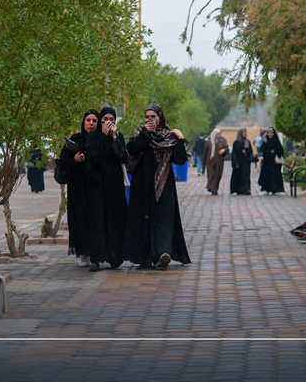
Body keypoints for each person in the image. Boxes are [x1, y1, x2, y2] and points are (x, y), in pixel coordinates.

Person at [122, 104, 190, 269]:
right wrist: (146, 133)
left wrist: (180, 139)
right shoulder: (140, 133)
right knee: (144, 219)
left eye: (153, 116)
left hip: (164, 185)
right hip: (143, 186)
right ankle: (145, 256)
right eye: (147, 117)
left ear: (160, 117)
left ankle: (162, 252)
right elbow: (132, 149)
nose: (149, 120)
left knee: (164, 218)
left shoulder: (169, 136)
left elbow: (180, 159)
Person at [81, 106, 129, 271]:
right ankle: (96, 258)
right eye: (105, 120)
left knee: (115, 219)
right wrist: (103, 135)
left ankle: (114, 256)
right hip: (97, 184)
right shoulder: (93, 137)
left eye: (111, 120)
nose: (108, 123)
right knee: (98, 220)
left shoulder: (118, 137)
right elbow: (94, 154)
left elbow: (123, 156)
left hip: (114, 184)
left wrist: (114, 138)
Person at [58, 109, 100, 267]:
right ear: (83, 122)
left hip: (96, 188)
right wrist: (75, 160)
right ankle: (82, 252)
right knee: (80, 220)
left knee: (95, 220)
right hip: (78, 188)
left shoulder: (100, 140)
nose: (91, 123)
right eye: (88, 120)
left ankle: (96, 253)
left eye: (94, 121)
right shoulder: (75, 140)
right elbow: (63, 164)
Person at [257, 127, 285, 195]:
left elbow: (281, 150)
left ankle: (275, 189)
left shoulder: (276, 141)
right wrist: (265, 143)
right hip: (267, 162)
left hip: (274, 163)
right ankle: (266, 188)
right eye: (269, 133)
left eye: (272, 133)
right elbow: (262, 149)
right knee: (266, 175)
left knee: (274, 176)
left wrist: (275, 151)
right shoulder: (266, 141)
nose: (270, 134)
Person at [203, 127, 229, 195]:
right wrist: (204, 163)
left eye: (220, 134)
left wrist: (224, 150)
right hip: (210, 161)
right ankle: (212, 188)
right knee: (211, 175)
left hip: (219, 161)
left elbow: (227, 148)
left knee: (218, 175)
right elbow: (205, 152)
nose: (219, 135)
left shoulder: (222, 140)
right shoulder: (209, 141)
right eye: (218, 134)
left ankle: (214, 188)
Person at [230, 128, 253, 195]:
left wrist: (246, 151)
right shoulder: (236, 142)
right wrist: (235, 163)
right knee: (238, 176)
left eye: (246, 132)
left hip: (246, 162)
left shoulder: (247, 142)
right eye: (244, 132)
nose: (245, 134)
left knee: (245, 176)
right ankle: (238, 189)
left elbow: (250, 151)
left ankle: (245, 189)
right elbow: (234, 153)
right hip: (239, 162)